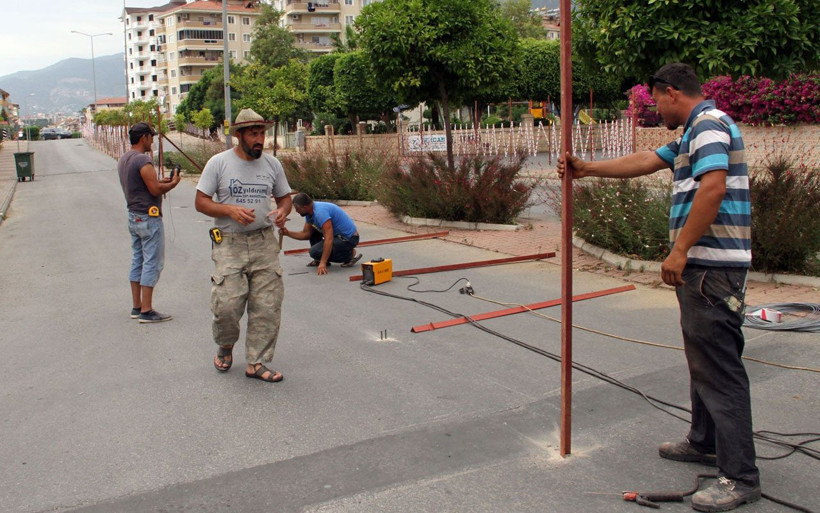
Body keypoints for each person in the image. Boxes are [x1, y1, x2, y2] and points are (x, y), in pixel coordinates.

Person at [557, 63, 759, 512]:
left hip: (711, 269)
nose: (655, 110)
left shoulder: (707, 126)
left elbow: (713, 189)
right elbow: (646, 161)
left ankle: (740, 477)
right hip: (704, 269)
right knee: (703, 361)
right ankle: (704, 441)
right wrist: (586, 168)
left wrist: (680, 249)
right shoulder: (691, 133)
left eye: (655, 101)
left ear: (672, 93)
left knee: (720, 371)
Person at [195, 109, 292, 383]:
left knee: (267, 305)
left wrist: (283, 211)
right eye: (253, 134)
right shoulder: (219, 163)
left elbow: (285, 198)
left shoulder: (272, 165)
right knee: (227, 304)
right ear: (239, 135)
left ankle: (256, 362)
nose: (260, 139)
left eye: (262, 133)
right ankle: (226, 345)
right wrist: (229, 210)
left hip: (264, 242)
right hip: (229, 243)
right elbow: (201, 202)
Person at [117, 121, 181, 323]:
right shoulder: (143, 160)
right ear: (144, 137)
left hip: (133, 215)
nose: (152, 140)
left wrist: (161, 182)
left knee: (138, 259)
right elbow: (154, 190)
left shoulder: (125, 159)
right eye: (151, 137)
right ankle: (147, 310)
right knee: (152, 262)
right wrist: (173, 183)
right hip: (148, 217)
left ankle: (136, 306)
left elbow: (143, 185)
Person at [280, 192, 361, 275]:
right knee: (313, 230)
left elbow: (329, 238)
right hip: (336, 235)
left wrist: (323, 262)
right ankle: (318, 259)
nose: (296, 211)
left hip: (349, 238)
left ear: (305, 207)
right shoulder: (309, 213)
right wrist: (288, 233)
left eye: (298, 209)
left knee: (314, 252)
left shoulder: (320, 213)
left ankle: (349, 255)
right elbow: (306, 234)